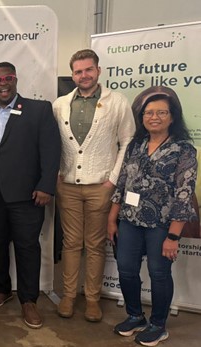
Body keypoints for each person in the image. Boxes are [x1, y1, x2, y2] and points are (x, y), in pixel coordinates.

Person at [0, 62, 61, 329]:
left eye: (8, 78)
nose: (3, 83)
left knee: (27, 248)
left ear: (16, 80)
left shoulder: (39, 110)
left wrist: (46, 186)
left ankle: (28, 300)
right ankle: (2, 289)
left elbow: (51, 150)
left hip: (28, 195)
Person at [108, 86, 197, 347]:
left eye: (161, 112)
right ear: (142, 117)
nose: (154, 117)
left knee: (159, 273)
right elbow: (122, 185)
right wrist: (112, 219)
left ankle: (158, 325)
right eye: (149, 112)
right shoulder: (136, 145)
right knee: (126, 270)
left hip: (161, 225)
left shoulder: (184, 151)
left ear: (172, 117)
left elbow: (184, 195)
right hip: (129, 222)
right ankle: (135, 316)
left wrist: (173, 236)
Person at [52, 49, 135, 321]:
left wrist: (112, 179)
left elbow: (127, 142)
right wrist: (56, 174)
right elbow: (52, 144)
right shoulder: (60, 104)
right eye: (78, 71)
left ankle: (91, 299)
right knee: (72, 243)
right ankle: (68, 295)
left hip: (101, 186)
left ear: (98, 70)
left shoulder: (117, 102)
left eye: (88, 69)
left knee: (96, 244)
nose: (83, 75)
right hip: (68, 187)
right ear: (72, 74)